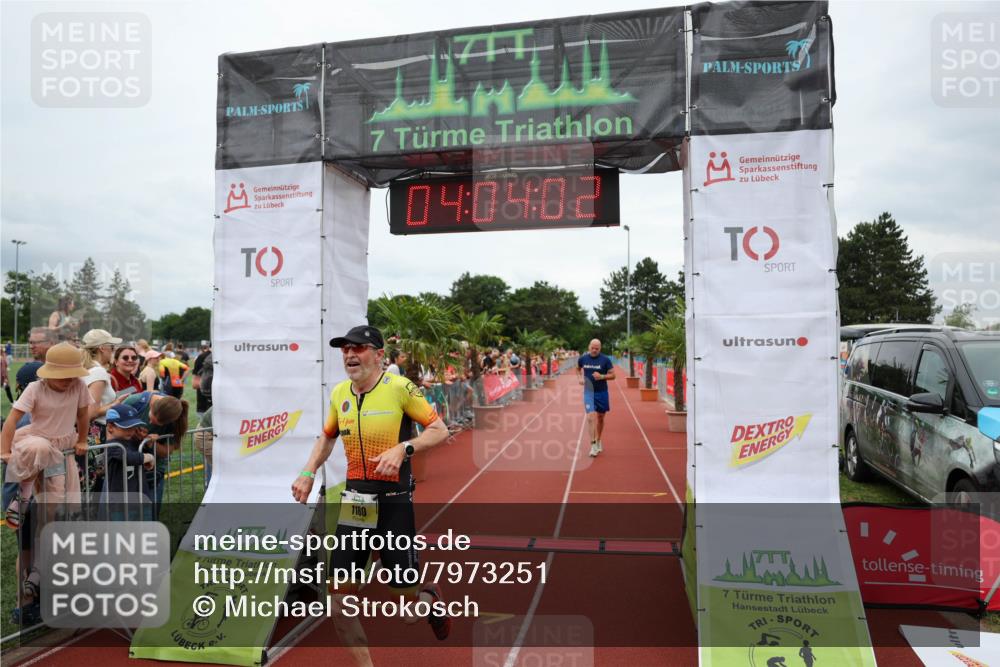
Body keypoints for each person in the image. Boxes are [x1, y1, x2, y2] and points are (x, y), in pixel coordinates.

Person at [291, 325, 451, 661]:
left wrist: (404, 449)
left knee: (408, 613)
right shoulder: (340, 393)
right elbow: (328, 437)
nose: (350, 354)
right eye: (345, 349)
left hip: (394, 505)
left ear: (379, 355)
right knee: (339, 602)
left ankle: (429, 598)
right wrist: (308, 471)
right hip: (357, 504)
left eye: (358, 348)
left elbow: (439, 430)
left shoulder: (400, 388)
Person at [2, 343, 92, 528]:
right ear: (50, 373)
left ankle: (47, 536)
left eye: (73, 375)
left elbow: (83, 415)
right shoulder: (35, 388)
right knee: (40, 447)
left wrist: (82, 440)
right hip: (36, 439)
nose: (69, 380)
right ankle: (23, 496)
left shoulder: (79, 385)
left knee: (58, 499)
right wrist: (4, 451)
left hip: (63, 446)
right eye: (63, 376)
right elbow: (11, 420)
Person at [122, 391, 188, 516]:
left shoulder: (175, 418)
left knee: (150, 512)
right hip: (126, 466)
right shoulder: (135, 402)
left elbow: (167, 451)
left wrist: (151, 443)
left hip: (153, 472)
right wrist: (131, 433)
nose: (151, 423)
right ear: (152, 405)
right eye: (151, 418)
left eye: (158, 424)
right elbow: (111, 430)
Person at [102, 404, 155, 520]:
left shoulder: (133, 442)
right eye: (126, 427)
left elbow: (141, 458)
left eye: (134, 427)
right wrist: (148, 457)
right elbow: (128, 457)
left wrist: (148, 445)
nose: (131, 431)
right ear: (110, 427)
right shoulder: (111, 446)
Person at [575, 338, 615, 458]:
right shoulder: (583, 359)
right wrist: (580, 378)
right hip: (588, 392)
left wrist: (602, 376)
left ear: (600, 348)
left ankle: (598, 439)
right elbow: (577, 369)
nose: (594, 350)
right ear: (589, 347)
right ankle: (593, 445)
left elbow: (613, 375)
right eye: (592, 348)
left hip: (602, 392)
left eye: (597, 348)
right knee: (590, 417)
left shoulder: (605, 360)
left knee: (600, 418)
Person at [16, 328, 58, 397]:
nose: (31, 346)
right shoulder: (30, 370)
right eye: (30, 342)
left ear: (51, 343)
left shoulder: (65, 367)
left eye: (36, 343)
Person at [191, 344, 212, 415]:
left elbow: (195, 384)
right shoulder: (202, 357)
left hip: (205, 405)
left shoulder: (202, 357)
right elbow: (195, 384)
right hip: (205, 406)